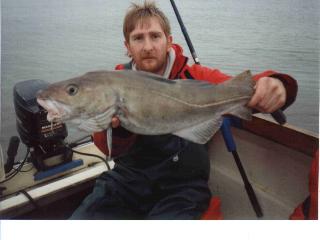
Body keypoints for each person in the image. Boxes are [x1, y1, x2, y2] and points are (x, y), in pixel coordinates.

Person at [70, 1, 297, 220]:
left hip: (182, 189)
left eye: (155, 36)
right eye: (138, 38)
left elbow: (238, 87)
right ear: (127, 47)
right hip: (127, 183)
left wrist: (278, 84)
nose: (148, 46)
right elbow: (105, 147)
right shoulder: (110, 84)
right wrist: (120, 131)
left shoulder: (195, 76)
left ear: (168, 41)